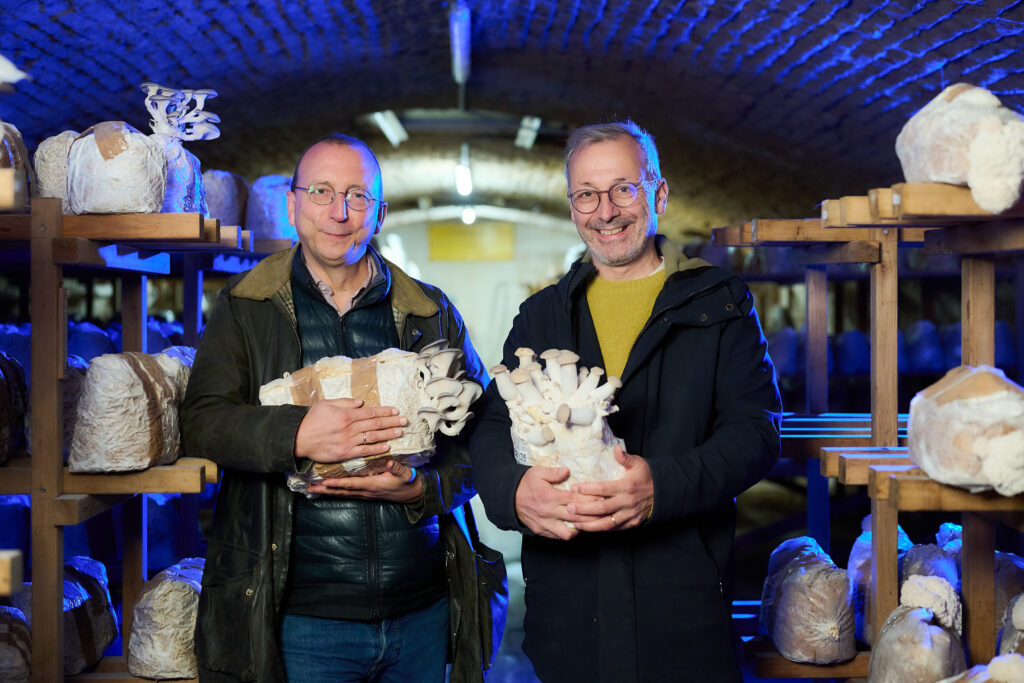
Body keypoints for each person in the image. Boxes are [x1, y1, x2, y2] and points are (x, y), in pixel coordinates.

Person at [181, 133, 501, 682]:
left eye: (357, 195)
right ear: (293, 204)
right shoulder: (245, 306)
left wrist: (424, 488)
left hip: (421, 607)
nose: (339, 211)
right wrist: (296, 434)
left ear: (380, 211)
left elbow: (486, 431)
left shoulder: (428, 310)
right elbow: (202, 423)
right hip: (303, 618)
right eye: (323, 192)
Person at [469, 120, 782, 682]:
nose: (605, 210)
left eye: (623, 189)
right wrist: (514, 493)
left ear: (657, 194)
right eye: (587, 194)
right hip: (569, 611)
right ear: (573, 207)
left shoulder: (718, 303)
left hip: (681, 608)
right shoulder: (543, 313)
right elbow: (493, 427)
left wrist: (662, 486)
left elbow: (756, 432)